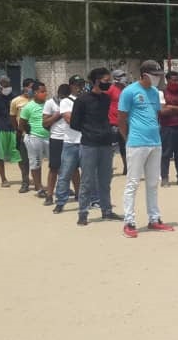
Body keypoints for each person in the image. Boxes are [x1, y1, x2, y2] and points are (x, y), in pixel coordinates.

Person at [118, 60, 175, 237]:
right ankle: (129, 221)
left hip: (155, 142)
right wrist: (128, 138)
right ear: (144, 75)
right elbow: (121, 119)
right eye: (155, 75)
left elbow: (157, 114)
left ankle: (154, 219)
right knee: (133, 183)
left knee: (152, 183)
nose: (158, 78)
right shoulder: (129, 92)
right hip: (136, 143)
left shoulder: (154, 93)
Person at [69, 68, 123, 225]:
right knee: (87, 180)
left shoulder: (106, 99)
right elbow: (74, 123)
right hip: (89, 145)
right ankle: (83, 213)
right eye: (106, 81)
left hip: (106, 144)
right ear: (96, 81)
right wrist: (90, 132)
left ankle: (107, 211)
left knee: (105, 180)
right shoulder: (82, 100)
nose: (109, 84)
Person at [51, 76, 84, 214]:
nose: (79, 87)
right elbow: (70, 120)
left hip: (86, 142)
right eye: (76, 85)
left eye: (81, 84)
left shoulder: (85, 99)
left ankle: (90, 199)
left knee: (89, 174)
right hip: (71, 142)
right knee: (65, 174)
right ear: (71, 86)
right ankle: (60, 202)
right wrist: (88, 122)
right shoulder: (66, 101)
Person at [19, 82, 51, 200]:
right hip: (34, 138)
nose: (45, 93)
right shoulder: (28, 107)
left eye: (45, 91)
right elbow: (21, 124)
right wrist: (30, 133)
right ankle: (39, 188)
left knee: (55, 163)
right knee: (36, 163)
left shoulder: (49, 104)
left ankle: (59, 186)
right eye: (42, 91)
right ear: (35, 93)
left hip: (49, 138)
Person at [41, 84, 71, 206]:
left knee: (74, 168)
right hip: (56, 138)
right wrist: (58, 114)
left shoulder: (72, 102)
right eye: (62, 96)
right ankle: (49, 195)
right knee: (54, 168)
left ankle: (79, 194)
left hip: (70, 139)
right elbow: (45, 123)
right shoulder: (50, 103)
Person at [158, 71, 178, 187]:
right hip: (167, 128)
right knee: (165, 154)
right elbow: (162, 111)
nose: (176, 82)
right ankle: (164, 178)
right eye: (173, 80)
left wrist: (170, 107)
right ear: (168, 81)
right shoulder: (162, 93)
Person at [10, 78, 35, 192]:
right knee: (24, 160)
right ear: (24, 87)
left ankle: (37, 183)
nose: (31, 89)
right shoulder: (16, 101)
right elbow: (13, 117)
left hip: (36, 134)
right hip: (23, 134)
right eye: (30, 87)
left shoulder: (36, 100)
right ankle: (25, 182)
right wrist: (18, 130)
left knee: (35, 160)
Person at [107, 69, 128, 174]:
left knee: (125, 146)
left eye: (124, 75)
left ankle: (126, 167)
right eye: (121, 75)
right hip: (113, 122)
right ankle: (108, 167)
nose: (124, 77)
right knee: (110, 146)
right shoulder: (111, 89)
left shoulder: (126, 89)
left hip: (124, 122)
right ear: (116, 78)